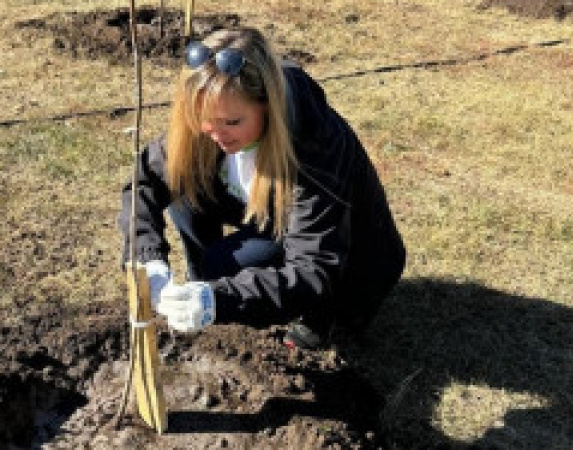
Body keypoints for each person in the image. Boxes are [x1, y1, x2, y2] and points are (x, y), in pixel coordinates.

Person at [118, 26, 406, 350]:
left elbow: (312, 268)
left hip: (344, 257)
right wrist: (148, 258)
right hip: (269, 217)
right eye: (203, 119)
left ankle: (250, 298)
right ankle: (203, 288)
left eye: (232, 122)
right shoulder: (215, 121)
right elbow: (144, 182)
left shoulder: (314, 146)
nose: (215, 133)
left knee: (225, 268)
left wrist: (221, 299)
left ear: (267, 106)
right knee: (182, 180)